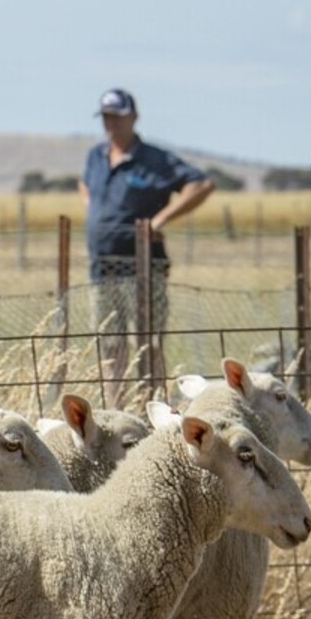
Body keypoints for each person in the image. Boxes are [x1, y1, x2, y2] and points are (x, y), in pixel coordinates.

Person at [79, 88, 216, 407]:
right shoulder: (95, 156)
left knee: (148, 342)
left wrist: (160, 220)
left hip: (144, 267)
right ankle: (116, 410)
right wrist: (94, 210)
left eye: (117, 116)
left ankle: (154, 405)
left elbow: (201, 184)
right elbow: (83, 183)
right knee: (110, 343)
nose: (111, 123)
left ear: (134, 117)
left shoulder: (155, 160)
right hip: (102, 267)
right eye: (106, 117)